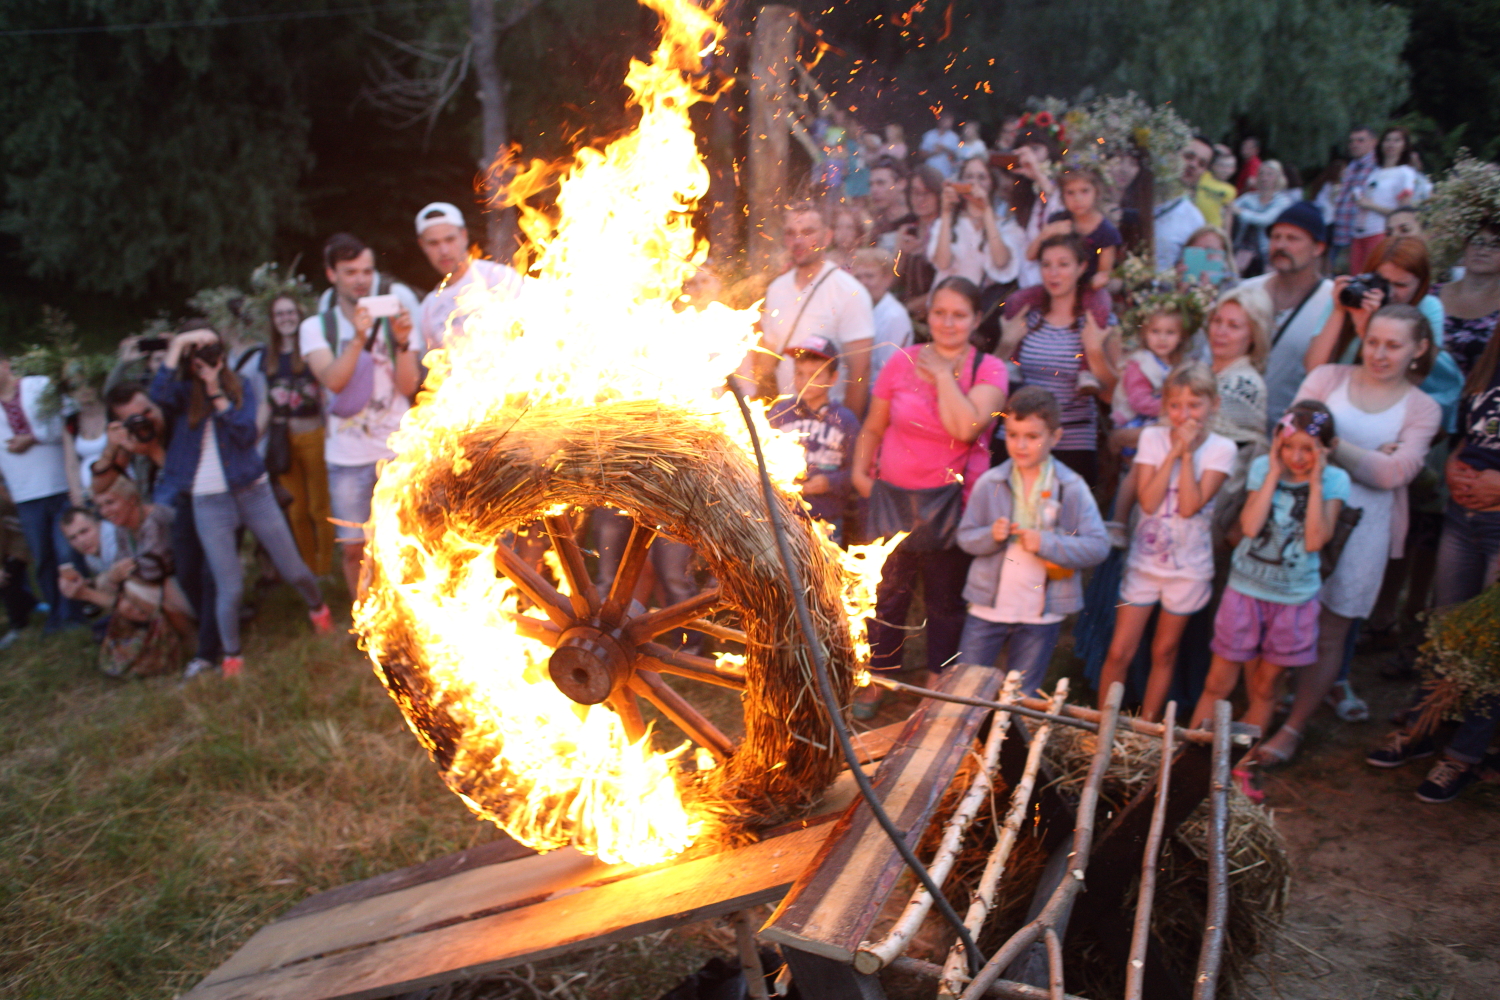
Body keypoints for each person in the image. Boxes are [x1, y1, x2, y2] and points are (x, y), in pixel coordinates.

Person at [1255, 304, 1441, 764]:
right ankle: (1263, 706)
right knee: (1278, 615)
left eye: (1394, 345)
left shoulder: (1424, 408)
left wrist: (1334, 445)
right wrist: (1366, 455)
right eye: (1373, 341)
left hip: (1366, 529)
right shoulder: (1326, 378)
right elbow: (1292, 434)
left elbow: (1394, 473)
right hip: (1296, 516)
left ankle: (1295, 726)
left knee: (1332, 631)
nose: (1379, 353)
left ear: (1418, 349)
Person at [852, 278, 1007, 713]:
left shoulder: (989, 370)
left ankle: (936, 684)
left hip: (950, 504)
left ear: (976, 320)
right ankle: (878, 679)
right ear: (928, 314)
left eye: (959, 314)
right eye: (939, 312)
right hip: (891, 499)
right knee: (887, 594)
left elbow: (964, 427)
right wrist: (862, 477)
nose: (948, 322)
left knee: (945, 600)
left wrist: (942, 374)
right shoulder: (902, 362)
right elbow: (873, 426)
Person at [1365, 321, 1500, 801]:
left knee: (1489, 649)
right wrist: (1454, 461)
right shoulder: (1490, 362)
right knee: (1446, 632)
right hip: (1463, 518)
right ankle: (1425, 727)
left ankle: (1462, 756)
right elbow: (1468, 434)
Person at [155, 326, 334, 677]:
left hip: (252, 491)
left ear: (222, 355)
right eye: (198, 352)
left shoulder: (240, 387)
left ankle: (318, 608)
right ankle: (232, 656)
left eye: (212, 351)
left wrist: (215, 391)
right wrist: (176, 346)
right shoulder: (179, 394)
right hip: (208, 501)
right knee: (230, 586)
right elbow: (156, 395)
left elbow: (245, 434)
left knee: (293, 568)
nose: (206, 359)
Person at [1195, 401, 1348, 798]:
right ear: (1277, 443)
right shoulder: (1265, 469)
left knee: (1265, 689)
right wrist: (1274, 473)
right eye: (1288, 447)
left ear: (1326, 450)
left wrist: (1314, 482)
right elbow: (1248, 526)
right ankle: (1189, 754)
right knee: (1217, 681)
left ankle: (1240, 766)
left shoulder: (1335, 481)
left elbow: (1316, 539)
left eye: (1308, 449)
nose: (1297, 457)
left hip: (1294, 600)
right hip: (1245, 592)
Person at [1098, 362, 1235, 719]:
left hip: (1188, 568)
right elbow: (1148, 500)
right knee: (1119, 651)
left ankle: (1146, 729)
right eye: (1175, 405)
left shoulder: (1222, 449)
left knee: (1165, 650)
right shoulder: (1151, 439)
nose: (1184, 414)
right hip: (1145, 562)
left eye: (1194, 405)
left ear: (1213, 405)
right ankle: (1104, 726)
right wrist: (1173, 451)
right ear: (1164, 407)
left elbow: (1190, 506)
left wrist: (1187, 454)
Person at [955, 386, 1109, 694]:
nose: (1021, 445)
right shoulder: (991, 482)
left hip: (1042, 613)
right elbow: (965, 537)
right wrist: (990, 536)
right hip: (988, 608)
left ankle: (1009, 743)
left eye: (1033, 437)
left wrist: (1048, 544)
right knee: (966, 688)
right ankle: (967, 742)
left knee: (1021, 696)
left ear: (1056, 437)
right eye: (1013, 435)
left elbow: (1098, 545)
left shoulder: (1070, 486)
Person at [301, 233, 424, 600]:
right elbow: (334, 381)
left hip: (397, 451)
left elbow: (408, 385)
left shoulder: (396, 318)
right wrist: (357, 338)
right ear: (331, 274)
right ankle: (368, 624)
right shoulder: (316, 327)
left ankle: (412, 618)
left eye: (367, 271)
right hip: (347, 458)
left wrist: (402, 342)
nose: (360, 279)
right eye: (350, 271)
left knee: (409, 540)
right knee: (354, 547)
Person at [996, 233, 1121, 486]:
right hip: (1017, 438)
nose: (1053, 273)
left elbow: (1111, 396)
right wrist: (1006, 344)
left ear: (1081, 267)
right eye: (1046, 264)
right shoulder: (1025, 316)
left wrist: (1094, 351)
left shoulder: (1100, 321)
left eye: (1063, 264)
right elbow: (993, 377)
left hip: (1072, 442)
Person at [743, 203, 875, 417]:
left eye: (807, 232)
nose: (798, 241)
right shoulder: (776, 288)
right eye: (790, 233)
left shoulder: (849, 292)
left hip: (828, 422)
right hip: (783, 418)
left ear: (827, 236)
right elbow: (767, 357)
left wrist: (847, 431)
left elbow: (860, 370)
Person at [0, 351, 77, 632]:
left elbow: (69, 422)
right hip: (24, 493)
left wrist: (34, 437)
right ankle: (56, 615)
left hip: (59, 483)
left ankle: (73, 613)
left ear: (6, 363)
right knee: (43, 557)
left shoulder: (40, 386)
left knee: (66, 551)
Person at [1242, 203, 1336, 422]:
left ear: (1318, 248)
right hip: (1234, 425)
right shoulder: (1245, 291)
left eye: (1293, 238)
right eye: (1276, 237)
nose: (1280, 245)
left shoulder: (1333, 303)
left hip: (1290, 434)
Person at [263, 295, 334, 577]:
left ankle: (327, 568)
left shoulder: (312, 350)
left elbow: (327, 392)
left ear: (299, 314)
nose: (286, 318)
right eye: (280, 314)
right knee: (296, 509)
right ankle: (308, 567)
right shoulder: (266, 357)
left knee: (320, 506)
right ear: (272, 319)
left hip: (314, 433)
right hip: (283, 440)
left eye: (290, 312)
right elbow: (264, 401)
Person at [768, 337, 860, 544]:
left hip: (826, 521)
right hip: (781, 517)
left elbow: (858, 471)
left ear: (833, 377)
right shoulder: (780, 414)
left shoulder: (845, 420)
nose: (805, 381)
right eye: (799, 373)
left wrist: (831, 482)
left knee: (822, 574)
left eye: (815, 375)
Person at [414, 202, 524, 352]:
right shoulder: (428, 308)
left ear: (464, 236)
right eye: (434, 243)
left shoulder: (500, 278)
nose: (444, 250)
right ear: (422, 245)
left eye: (450, 239)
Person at [1207, 284, 1273, 462]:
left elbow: (1193, 432)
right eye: (1217, 321)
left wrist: (1123, 436)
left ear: (1253, 336)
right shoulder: (1206, 370)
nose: (1220, 332)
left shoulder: (1244, 385)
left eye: (1233, 326)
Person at [1350, 127, 1432, 273]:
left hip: (1381, 232)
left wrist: (1371, 205)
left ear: (1404, 145)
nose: (1391, 144)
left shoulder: (1405, 173)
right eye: (1387, 140)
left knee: (1373, 274)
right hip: (1360, 231)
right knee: (1356, 276)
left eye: (1396, 140)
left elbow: (1404, 213)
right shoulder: (1375, 172)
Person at [929, 156, 1018, 289]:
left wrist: (986, 210)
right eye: (969, 176)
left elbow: (1001, 261)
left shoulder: (1006, 225)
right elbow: (942, 264)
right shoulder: (947, 222)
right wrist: (946, 212)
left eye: (982, 177)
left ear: (992, 183)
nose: (974, 182)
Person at [1031, 164, 1122, 290]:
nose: (1078, 199)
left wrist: (1096, 282)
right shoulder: (1058, 220)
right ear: (1062, 197)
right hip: (1056, 285)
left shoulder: (1106, 232)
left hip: (1088, 289)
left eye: (1085, 191)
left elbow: (1103, 274)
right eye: (1070, 193)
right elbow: (1031, 256)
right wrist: (1047, 232)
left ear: (1096, 192)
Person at [1436, 224, 1500, 379]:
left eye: (1496, 245)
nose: (1484, 250)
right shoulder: (1431, 295)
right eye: (1478, 241)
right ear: (1466, 245)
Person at [849, 247, 915, 384]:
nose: (862, 283)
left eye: (870, 276)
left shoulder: (893, 317)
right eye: (858, 277)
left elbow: (887, 371)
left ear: (887, 279)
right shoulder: (860, 308)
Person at [1007, 138, 1060, 288]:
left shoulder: (1063, 186)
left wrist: (1038, 175)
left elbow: (1060, 216)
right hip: (1027, 283)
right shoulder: (1022, 194)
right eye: (1024, 152)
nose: (1029, 158)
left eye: (1035, 149)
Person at [1153, 137, 1211, 271]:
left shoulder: (1195, 220)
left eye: (1201, 164)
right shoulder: (1134, 195)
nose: (1193, 165)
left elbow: (1193, 272)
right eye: (1188, 157)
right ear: (1172, 155)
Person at [1229, 160, 1295, 275]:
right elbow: (1230, 207)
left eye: (1269, 174)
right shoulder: (1249, 197)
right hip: (1243, 249)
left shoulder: (1283, 201)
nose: (1264, 178)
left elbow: (1265, 219)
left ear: (1278, 178)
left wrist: (1240, 213)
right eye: (1261, 174)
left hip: (1267, 252)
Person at [1330, 126, 1379, 273]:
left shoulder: (1377, 166)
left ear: (1374, 142)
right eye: (1351, 141)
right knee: (1339, 281)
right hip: (1341, 234)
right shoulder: (1352, 166)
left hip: (1360, 235)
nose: (1354, 144)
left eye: (1360, 140)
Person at [61, 366, 110, 506]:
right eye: (75, 387)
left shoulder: (112, 414)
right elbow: (71, 464)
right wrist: (77, 494)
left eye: (87, 384)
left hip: (118, 488)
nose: (83, 390)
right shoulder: (71, 423)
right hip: (88, 497)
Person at [865, 158, 910, 241]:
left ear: (901, 184)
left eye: (881, 183)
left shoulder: (916, 224)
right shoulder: (871, 227)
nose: (874, 190)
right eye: (871, 185)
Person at [1196, 149, 1238, 231]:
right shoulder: (1204, 175)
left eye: (1229, 167)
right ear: (1213, 166)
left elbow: (1228, 214)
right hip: (1193, 220)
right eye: (1221, 165)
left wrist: (1226, 234)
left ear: (1233, 170)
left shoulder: (1230, 190)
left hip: (1212, 227)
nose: (1225, 170)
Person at [920, 112, 961, 179]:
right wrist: (933, 153)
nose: (948, 123)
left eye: (950, 121)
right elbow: (921, 155)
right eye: (946, 120)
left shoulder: (954, 137)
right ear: (940, 120)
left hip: (946, 174)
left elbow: (956, 157)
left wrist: (945, 149)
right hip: (929, 172)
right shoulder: (929, 135)